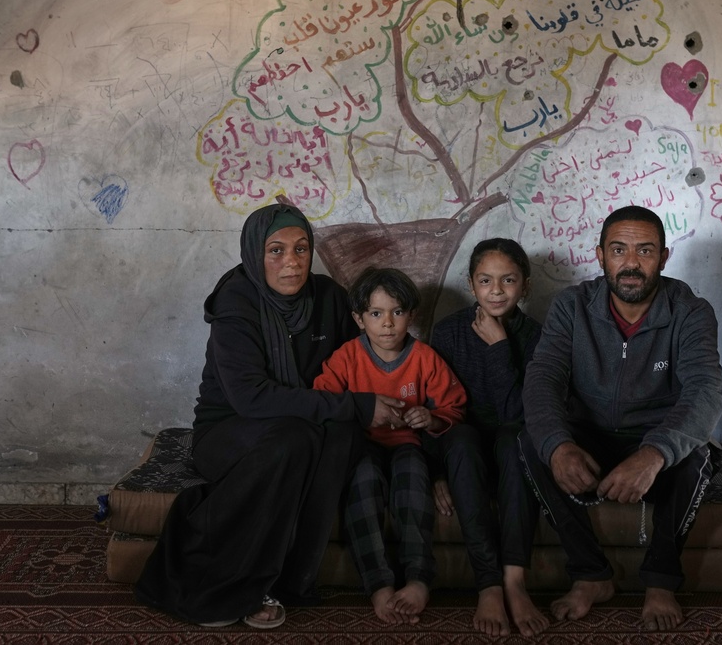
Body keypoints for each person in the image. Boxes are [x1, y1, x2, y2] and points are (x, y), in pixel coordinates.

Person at [134, 203, 407, 629]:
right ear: (254, 253)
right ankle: (237, 583)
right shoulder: (236, 302)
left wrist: (394, 409)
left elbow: (361, 366)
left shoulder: (329, 298)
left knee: (341, 435)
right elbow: (251, 399)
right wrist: (354, 404)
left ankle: (289, 580)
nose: (291, 263)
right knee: (293, 439)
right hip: (227, 435)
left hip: (300, 429)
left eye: (301, 249)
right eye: (275, 251)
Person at [519, 205, 722, 631]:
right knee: (530, 440)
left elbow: (705, 391)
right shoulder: (571, 306)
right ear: (600, 255)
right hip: (588, 438)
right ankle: (591, 574)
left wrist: (654, 454)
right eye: (619, 250)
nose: (631, 263)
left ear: (664, 258)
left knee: (699, 455)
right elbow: (542, 380)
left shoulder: (690, 311)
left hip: (652, 439)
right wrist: (558, 445)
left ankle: (661, 581)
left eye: (645, 251)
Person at [313, 267, 466, 625]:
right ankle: (379, 583)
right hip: (362, 447)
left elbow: (454, 406)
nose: (387, 324)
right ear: (358, 318)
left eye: (397, 313)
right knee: (363, 479)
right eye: (376, 314)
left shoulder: (425, 358)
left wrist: (431, 419)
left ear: (411, 315)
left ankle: (417, 579)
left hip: (408, 447)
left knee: (412, 474)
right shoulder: (347, 357)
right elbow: (322, 399)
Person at [426, 238, 550, 637]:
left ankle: (514, 581)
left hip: (513, 451)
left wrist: (499, 347)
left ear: (525, 286)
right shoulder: (447, 333)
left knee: (515, 437)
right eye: (486, 280)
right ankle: (489, 585)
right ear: (471, 283)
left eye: (508, 280)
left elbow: (518, 415)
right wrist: (435, 473)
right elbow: (433, 411)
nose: (496, 290)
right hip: (462, 454)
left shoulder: (537, 338)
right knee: (461, 437)